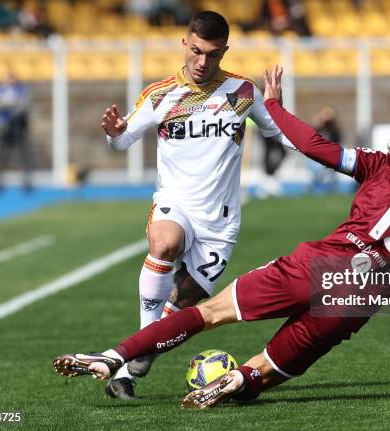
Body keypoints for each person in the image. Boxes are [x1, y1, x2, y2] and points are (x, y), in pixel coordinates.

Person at [54, 65, 390, 407]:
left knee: (208, 313)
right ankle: (240, 379)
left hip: (314, 268)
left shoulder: (383, 165)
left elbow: (314, 145)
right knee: (263, 375)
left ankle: (113, 357)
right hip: (354, 304)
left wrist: (275, 107)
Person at [98, 12, 295, 400]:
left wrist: (280, 112)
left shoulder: (242, 93)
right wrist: (115, 135)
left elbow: (282, 136)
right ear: (184, 43)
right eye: (197, 51)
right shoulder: (160, 95)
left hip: (220, 224)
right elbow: (123, 141)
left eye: (214, 55)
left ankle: (135, 362)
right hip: (175, 202)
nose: (203, 62)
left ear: (225, 51)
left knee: (185, 304)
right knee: (164, 243)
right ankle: (141, 343)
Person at [0, 71, 32, 192]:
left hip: (19, 126)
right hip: (4, 127)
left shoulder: (22, 89)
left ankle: (26, 181)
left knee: (23, 154)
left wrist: (9, 106)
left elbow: (24, 105)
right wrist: (11, 104)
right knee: (2, 155)